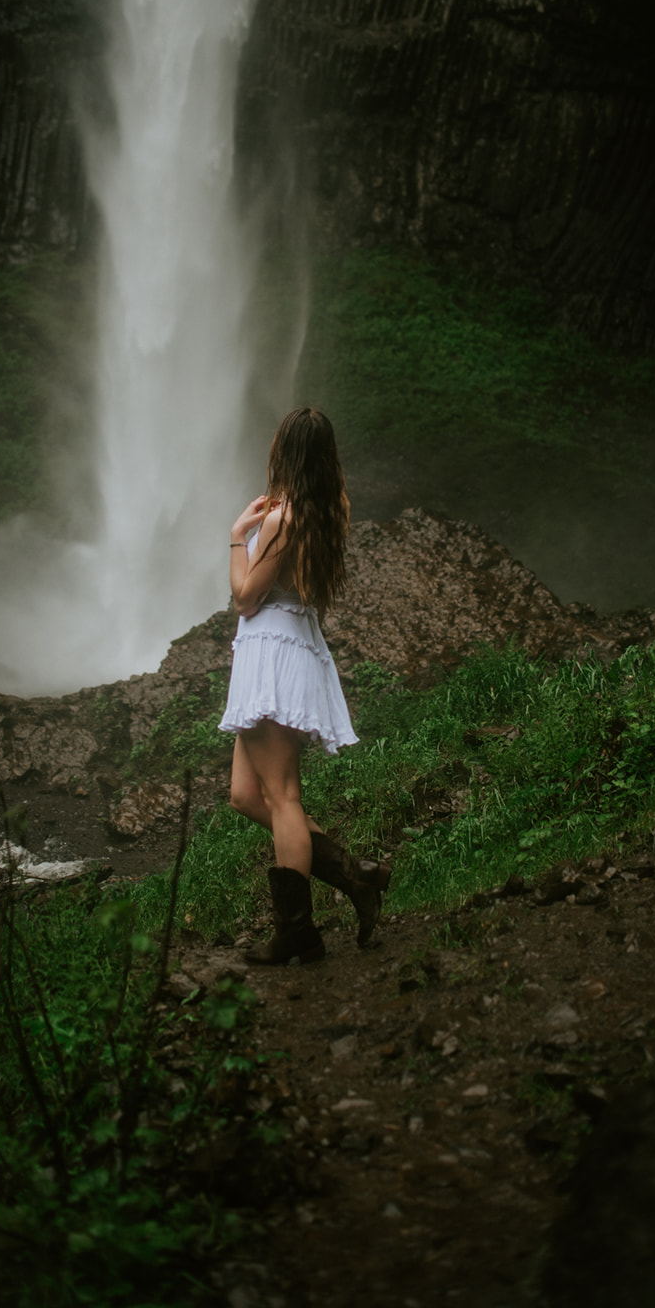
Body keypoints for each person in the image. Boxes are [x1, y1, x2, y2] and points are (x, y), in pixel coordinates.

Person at [219, 406, 391, 965]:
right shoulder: (329, 509)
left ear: (284, 452)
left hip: (272, 650)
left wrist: (236, 536)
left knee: (284, 798)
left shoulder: (282, 520)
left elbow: (245, 598)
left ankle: (298, 933)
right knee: (247, 796)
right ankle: (354, 876)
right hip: (288, 645)